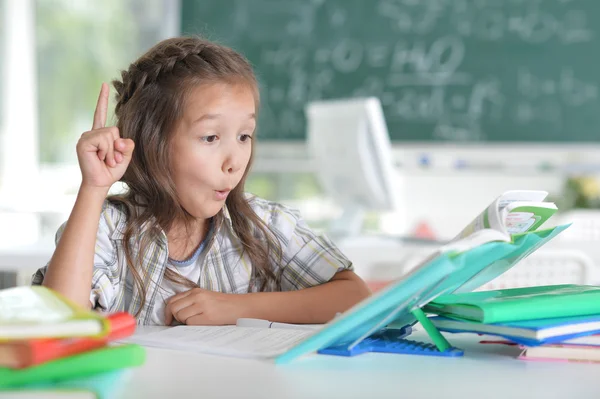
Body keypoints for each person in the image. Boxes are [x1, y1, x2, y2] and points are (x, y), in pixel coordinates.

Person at [32, 37, 370, 326]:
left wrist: (234, 308)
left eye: (244, 136)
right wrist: (93, 188)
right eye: (210, 138)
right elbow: (60, 321)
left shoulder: (264, 223)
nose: (234, 161)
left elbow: (354, 295)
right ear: (152, 142)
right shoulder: (107, 226)